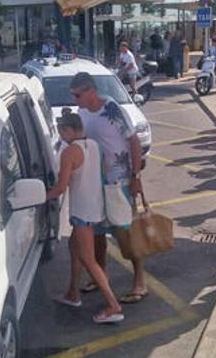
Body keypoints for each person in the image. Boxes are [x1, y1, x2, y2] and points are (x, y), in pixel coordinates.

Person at [69, 72, 148, 305]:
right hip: (95, 183)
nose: (75, 100)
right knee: (97, 233)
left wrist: (135, 176)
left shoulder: (111, 109)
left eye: (78, 95)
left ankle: (140, 281)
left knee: (126, 232)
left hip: (119, 181)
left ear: (91, 91)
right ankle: (100, 274)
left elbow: (133, 141)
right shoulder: (82, 114)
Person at [46, 113, 124, 324]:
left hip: (82, 212)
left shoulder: (69, 152)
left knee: (89, 260)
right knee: (74, 248)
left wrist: (42, 196)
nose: (61, 136)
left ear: (69, 130)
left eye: (62, 132)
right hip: (96, 208)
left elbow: (61, 187)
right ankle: (73, 293)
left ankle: (113, 306)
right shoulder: (94, 145)